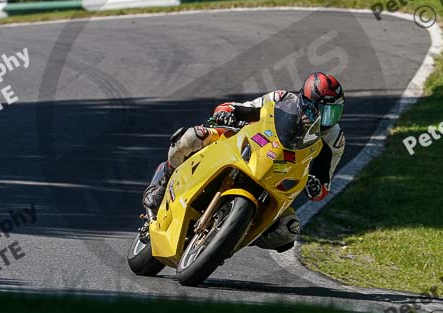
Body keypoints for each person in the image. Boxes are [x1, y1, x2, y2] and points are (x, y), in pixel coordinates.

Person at [142, 72, 346, 253]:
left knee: (288, 231)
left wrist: (315, 186)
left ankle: (232, 236)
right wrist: (227, 112)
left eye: (334, 112)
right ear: (306, 102)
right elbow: (240, 108)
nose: (327, 119)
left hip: (279, 177)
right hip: (247, 142)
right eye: (323, 111)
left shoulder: (335, 140)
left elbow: (324, 184)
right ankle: (162, 186)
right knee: (191, 138)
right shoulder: (281, 98)